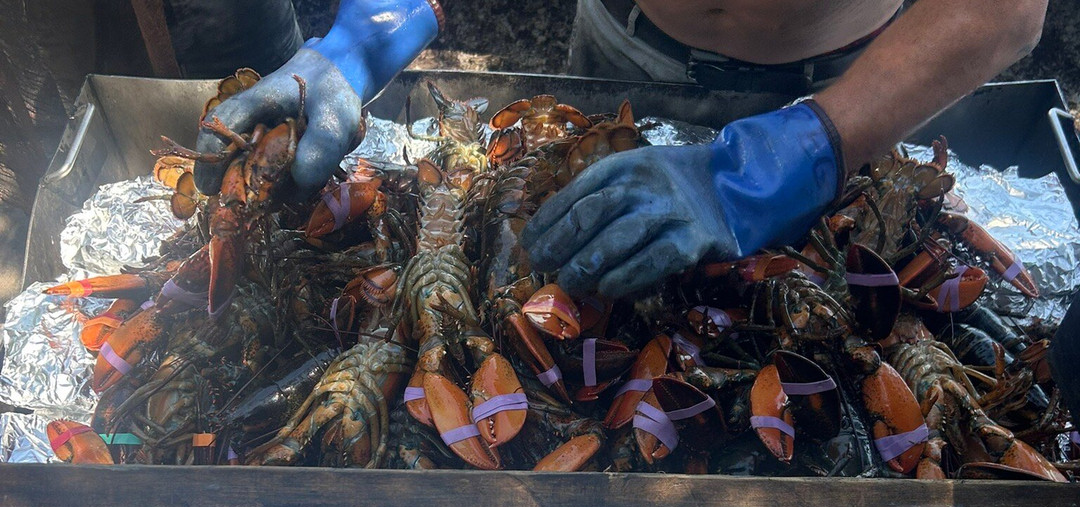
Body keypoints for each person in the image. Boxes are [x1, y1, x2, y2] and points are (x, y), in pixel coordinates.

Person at [193, 0, 1049, 298]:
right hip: (619, 53)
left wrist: (799, 151)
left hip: (850, 89)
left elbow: (1008, 9)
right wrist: (365, 33)